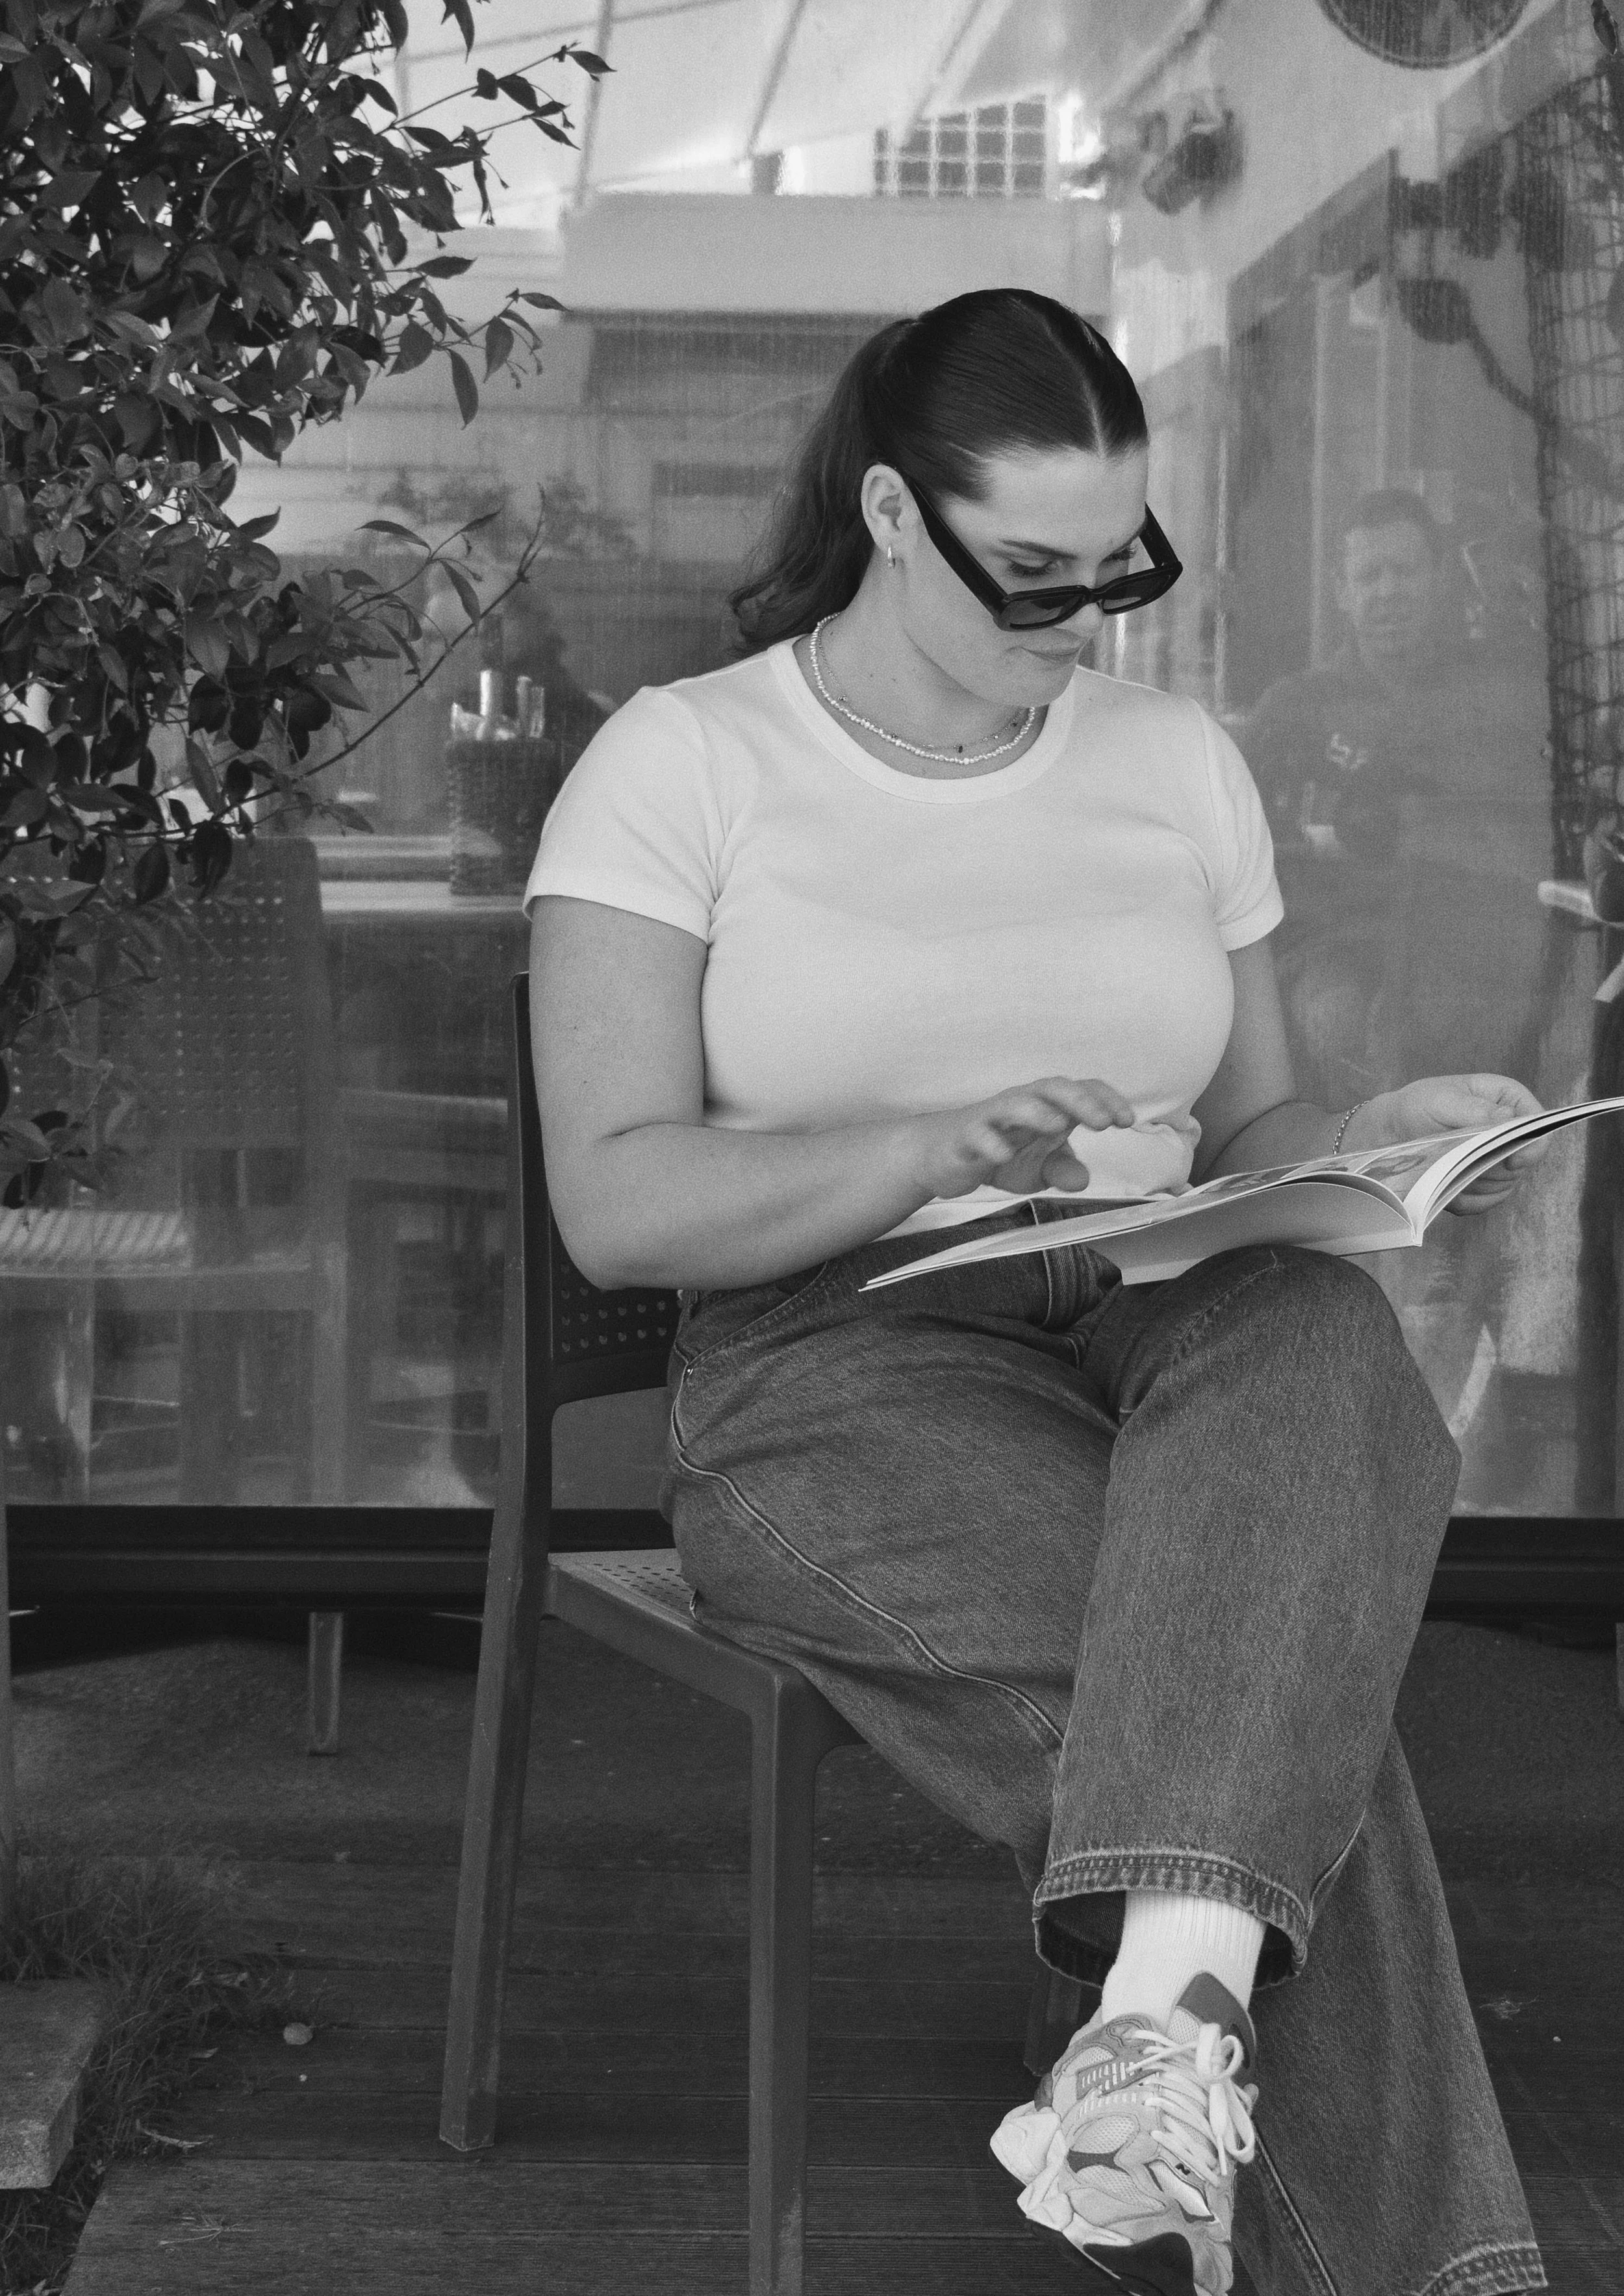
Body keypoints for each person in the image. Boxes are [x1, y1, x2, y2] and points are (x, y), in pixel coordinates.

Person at [523, 291, 1547, 2296]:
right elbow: (614, 1202)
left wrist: (1373, 1134)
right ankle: (1227, 2041)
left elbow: (1248, 1129)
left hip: (1168, 1321)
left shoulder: (1172, 763)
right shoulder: (684, 764)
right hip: (833, 1356)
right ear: (893, 516)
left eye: (1119, 574)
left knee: (1322, 1335)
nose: (1086, 629)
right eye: (1034, 581)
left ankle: (1148, 2037)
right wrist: (923, 1147)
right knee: (1261, 1710)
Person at [1239, 490, 1551, 1105]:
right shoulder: (1294, 711)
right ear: (1342, 592)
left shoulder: (1495, 702)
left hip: (1465, 955)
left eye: (1405, 572)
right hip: (1335, 949)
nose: (1388, 592)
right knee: (1343, 1024)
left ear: (1438, 580)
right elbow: (1242, 869)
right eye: (1369, 576)